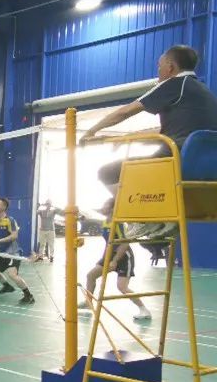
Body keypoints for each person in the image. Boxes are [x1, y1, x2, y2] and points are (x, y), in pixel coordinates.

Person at [80, 45, 217, 238]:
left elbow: (125, 111)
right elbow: (171, 133)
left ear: (170, 67)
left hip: (172, 163)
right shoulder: (204, 92)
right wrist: (126, 138)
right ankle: (148, 214)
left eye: (159, 66)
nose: (158, 71)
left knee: (107, 172)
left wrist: (91, 131)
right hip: (203, 170)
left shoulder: (174, 84)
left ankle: (145, 218)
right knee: (124, 188)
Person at [80, 198, 151, 320]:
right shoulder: (105, 222)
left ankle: (144, 310)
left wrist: (115, 260)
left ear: (113, 208)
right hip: (110, 256)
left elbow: (125, 242)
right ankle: (88, 302)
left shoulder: (118, 222)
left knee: (122, 287)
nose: (103, 206)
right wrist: (103, 259)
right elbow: (109, 243)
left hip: (124, 257)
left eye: (105, 204)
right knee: (91, 275)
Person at [0, 197, 35, 305]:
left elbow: (14, 236)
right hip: (3, 253)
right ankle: (7, 286)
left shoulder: (10, 220)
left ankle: (29, 295)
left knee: (12, 274)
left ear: (4, 207)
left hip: (13, 253)